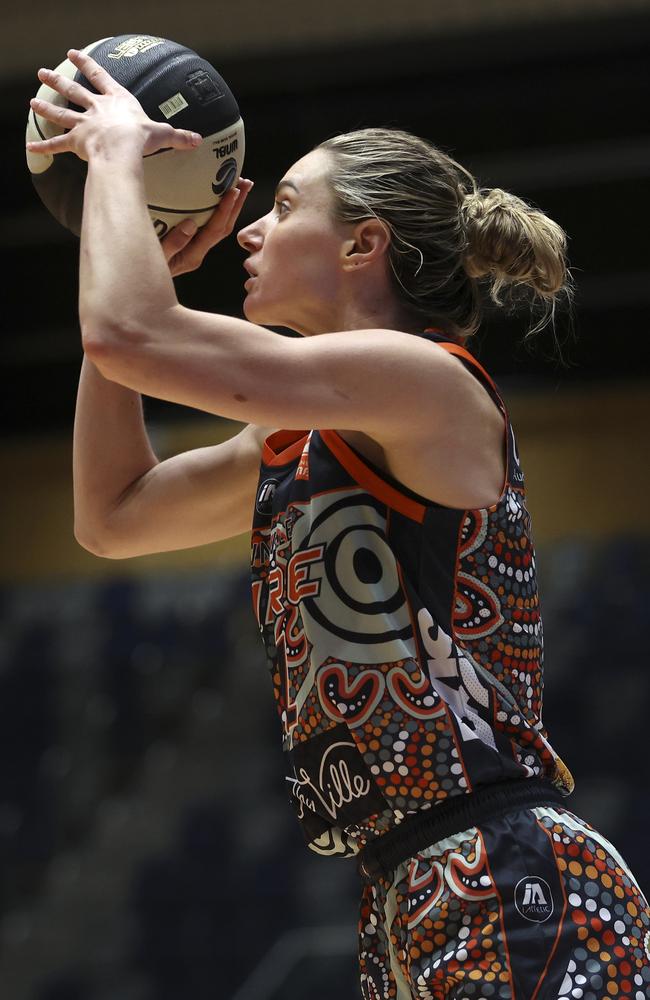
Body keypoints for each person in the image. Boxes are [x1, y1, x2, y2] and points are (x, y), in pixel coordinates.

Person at [27, 49, 649, 1000]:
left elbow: (130, 333)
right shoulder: (294, 432)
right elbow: (111, 515)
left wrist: (119, 159)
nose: (250, 233)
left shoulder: (426, 380)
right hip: (408, 886)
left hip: (504, 867)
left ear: (362, 246)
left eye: (281, 207)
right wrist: (139, 251)